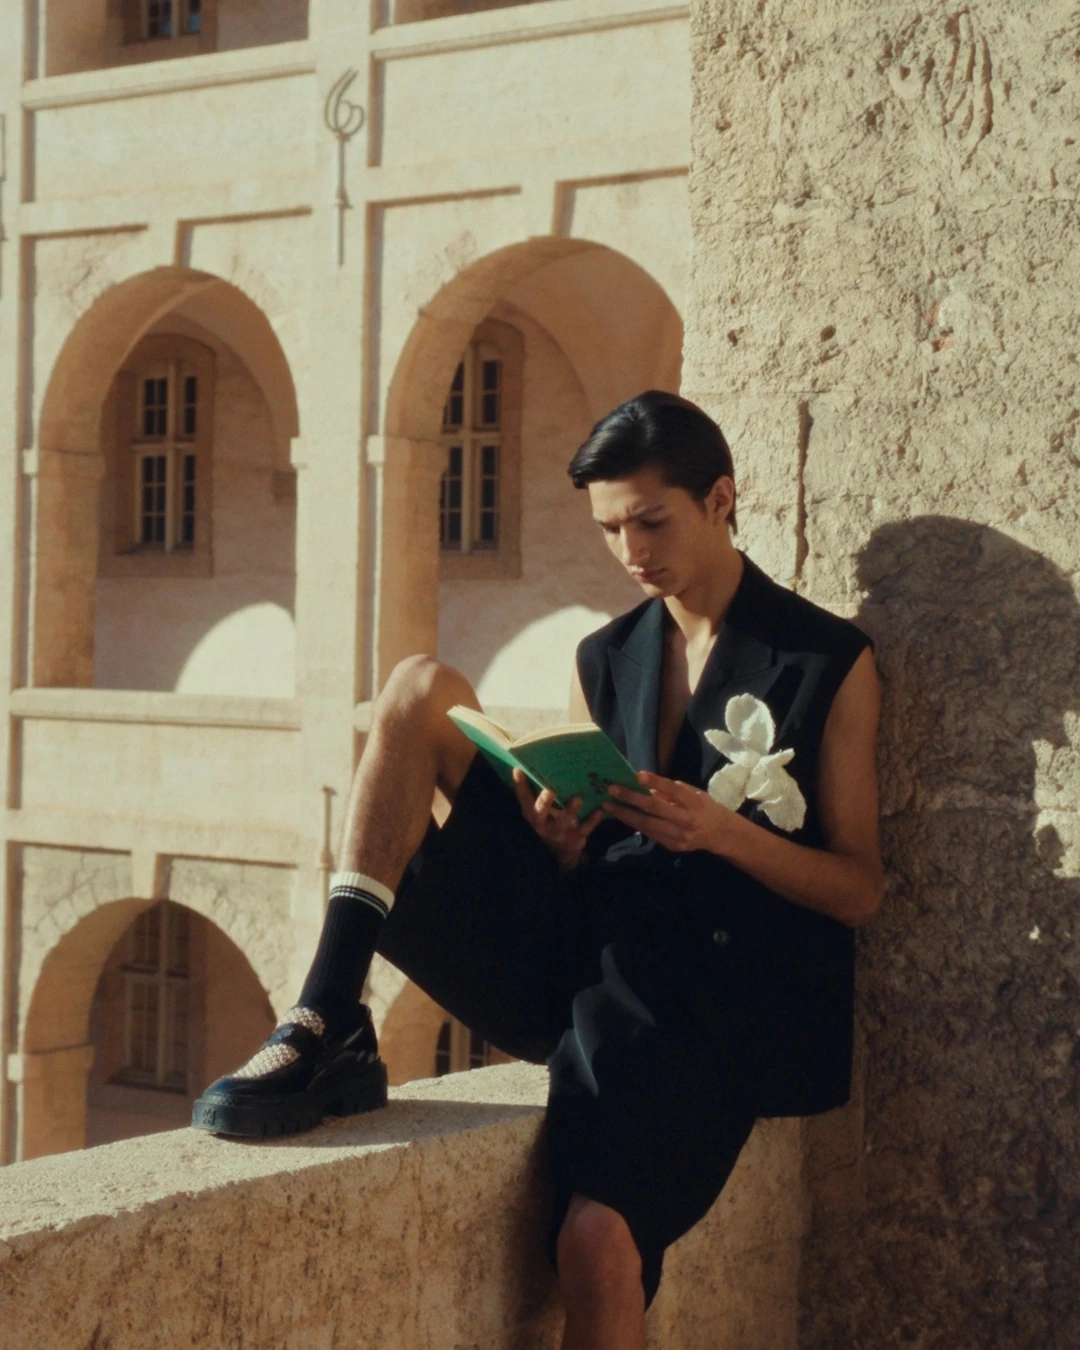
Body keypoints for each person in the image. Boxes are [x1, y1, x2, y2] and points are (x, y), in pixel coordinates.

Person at [192, 391, 883, 1349]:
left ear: (721, 498)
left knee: (596, 1241)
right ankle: (326, 1015)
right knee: (417, 691)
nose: (631, 550)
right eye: (608, 529)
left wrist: (724, 834)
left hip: (724, 1000)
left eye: (651, 519)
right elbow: (592, 849)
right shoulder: (604, 655)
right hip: (594, 960)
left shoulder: (826, 660)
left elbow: (861, 886)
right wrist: (563, 839)